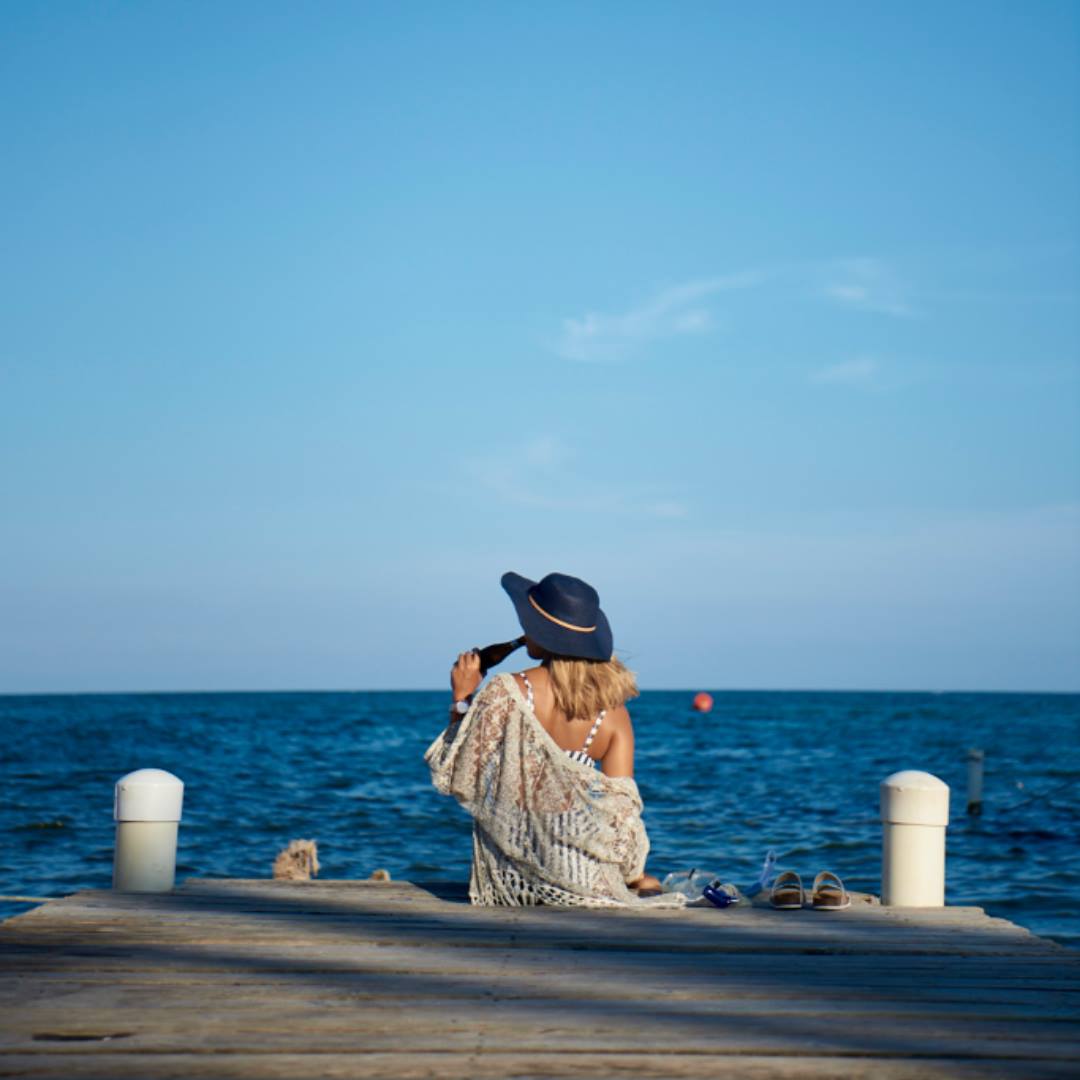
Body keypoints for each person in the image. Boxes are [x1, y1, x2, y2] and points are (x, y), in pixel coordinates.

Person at [425, 571, 680, 907]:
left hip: (512, 880)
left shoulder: (505, 691)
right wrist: (633, 876)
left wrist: (462, 698)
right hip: (581, 875)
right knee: (646, 881)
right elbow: (622, 817)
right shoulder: (614, 713)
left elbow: (455, 773)